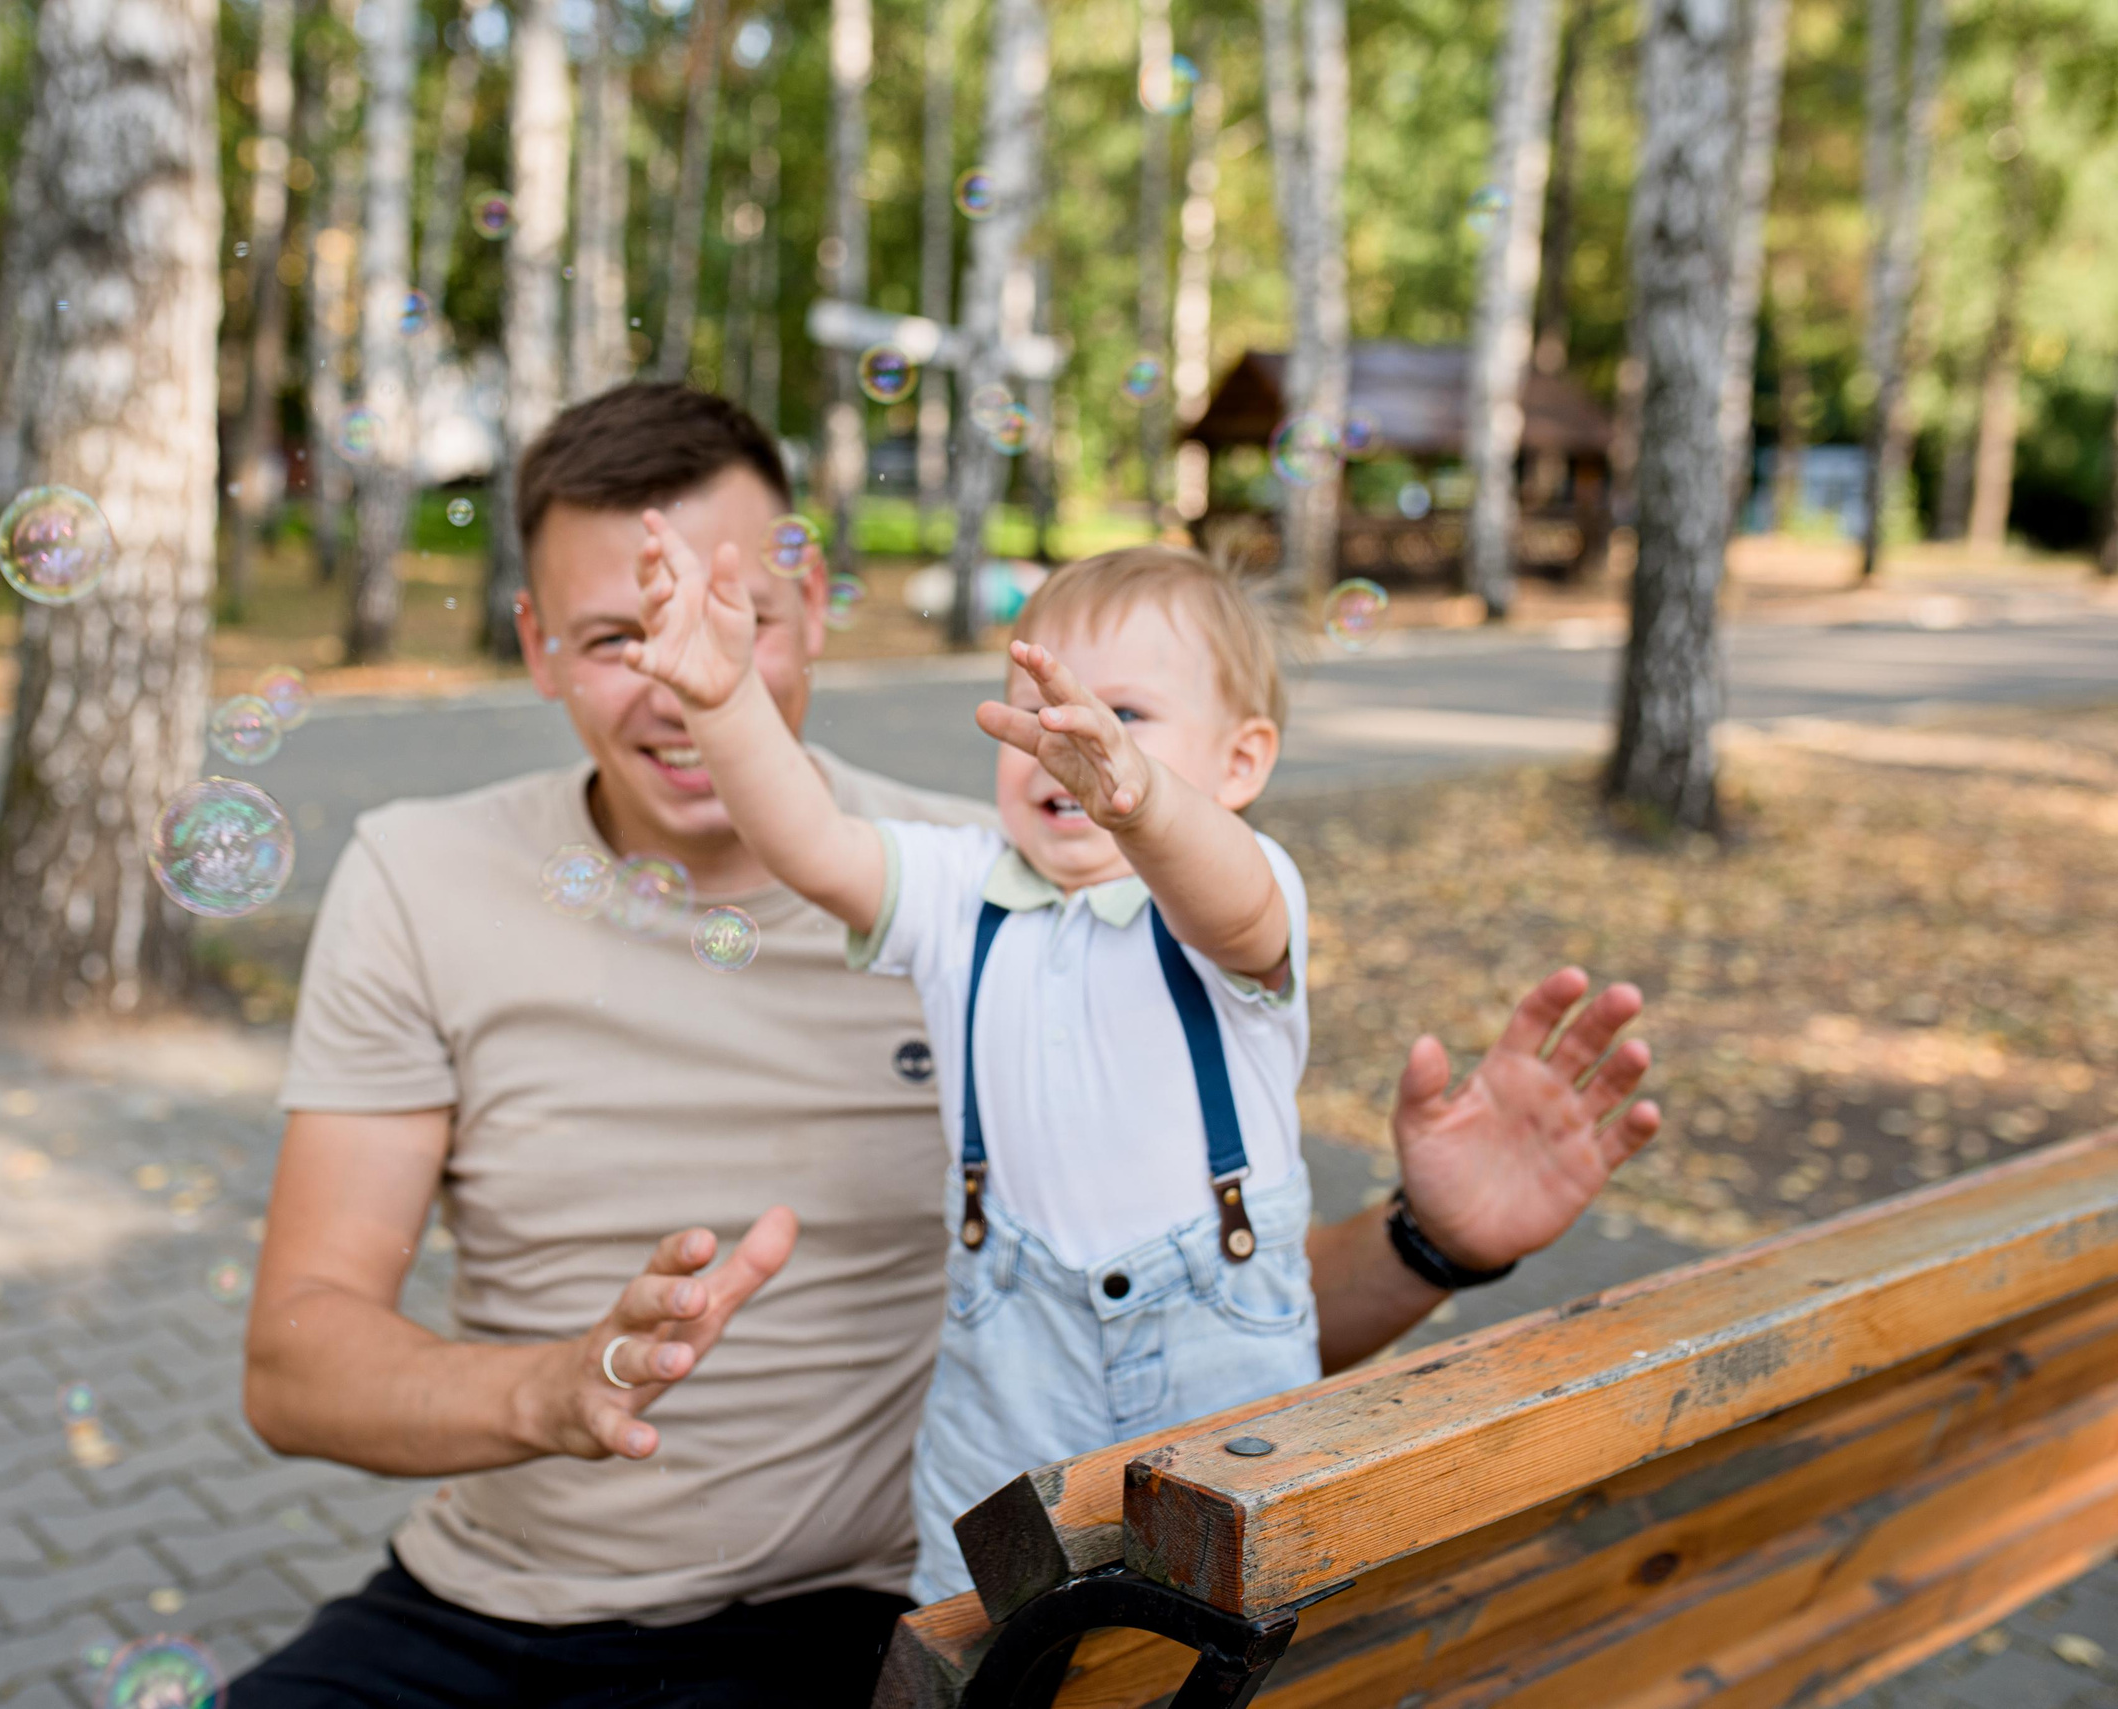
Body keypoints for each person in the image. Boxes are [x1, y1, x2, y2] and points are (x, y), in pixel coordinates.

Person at [228, 383, 1662, 1708]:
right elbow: (297, 1367)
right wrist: (551, 1387)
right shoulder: (425, 874)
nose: (680, 680)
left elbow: (1166, 1311)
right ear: (535, 646)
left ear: (809, 606)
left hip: (845, 1622)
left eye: (734, 623)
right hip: (488, 1604)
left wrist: (1432, 1241)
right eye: (621, 637)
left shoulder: (1036, 893)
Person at [627, 533, 1350, 1601]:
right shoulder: (961, 887)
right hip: (1005, 1356)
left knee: (1231, 1622)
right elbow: (809, 839)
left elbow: (1229, 897)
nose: (1067, 739)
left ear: (1238, 763)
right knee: (980, 1613)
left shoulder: (1232, 890)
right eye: (1036, 707)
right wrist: (725, 699)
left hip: (1220, 1356)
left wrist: (1144, 802)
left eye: (1123, 714)